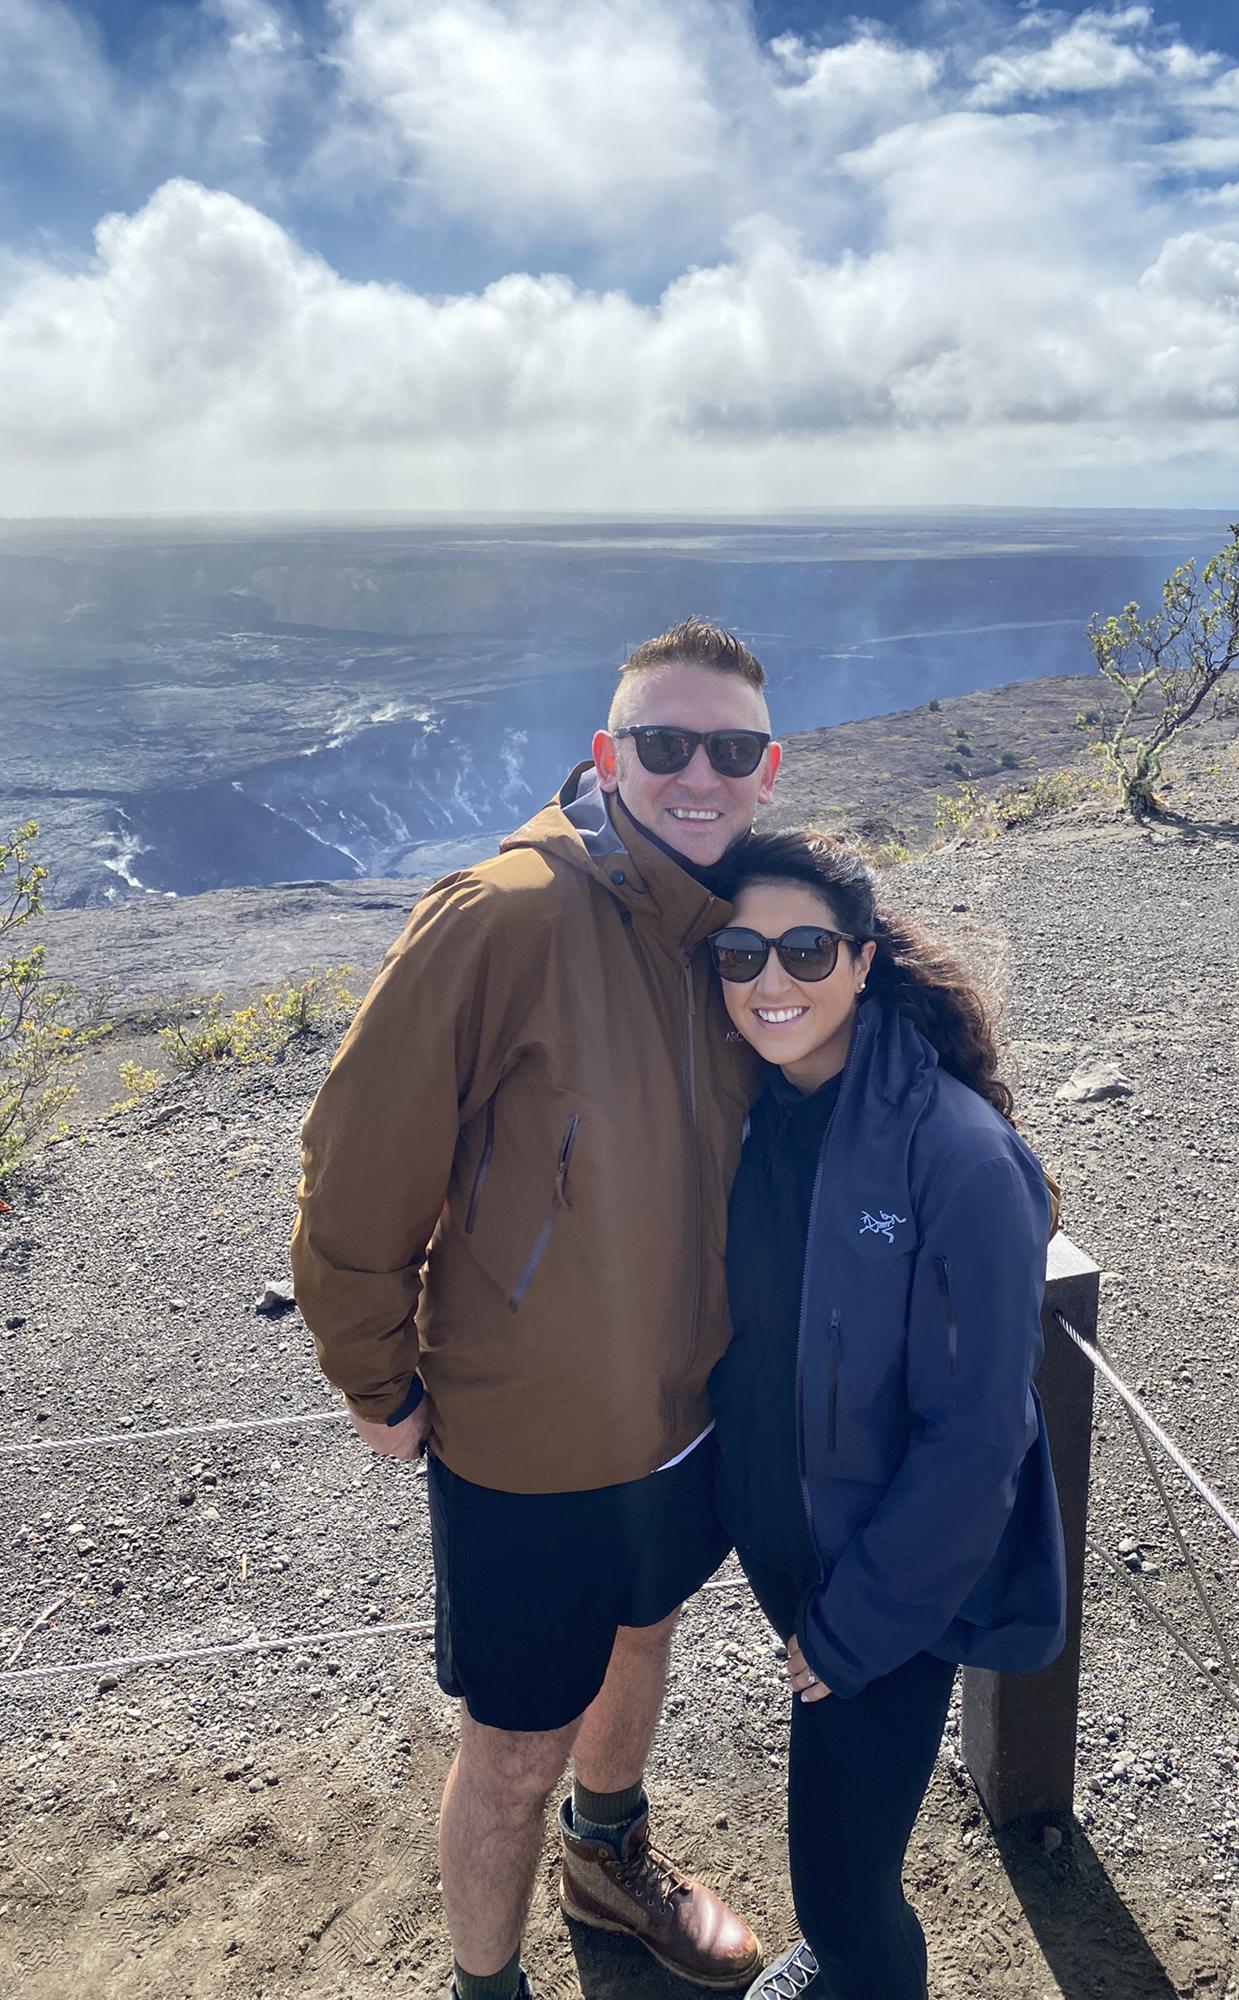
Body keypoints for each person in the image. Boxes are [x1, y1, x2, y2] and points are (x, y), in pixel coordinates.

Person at [291, 619, 782, 2000]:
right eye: (664, 744)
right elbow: (358, 1162)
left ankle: (607, 1853)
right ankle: (484, 1983)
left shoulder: (751, 925)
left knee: (646, 1629)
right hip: (531, 1435)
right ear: (604, 755)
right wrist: (372, 1376)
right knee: (513, 1741)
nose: (698, 772)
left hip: (691, 1412)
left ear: (769, 769)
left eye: (729, 748)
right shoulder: (504, 914)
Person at [705, 830, 1066, 2000]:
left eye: (806, 949)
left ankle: (858, 1968)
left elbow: (977, 1440)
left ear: (863, 960)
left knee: (842, 1884)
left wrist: (855, 1624)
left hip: (883, 1590)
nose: (771, 979)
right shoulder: (757, 1105)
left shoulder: (958, 1158)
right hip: (799, 1548)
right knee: (844, 1860)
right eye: (740, 950)